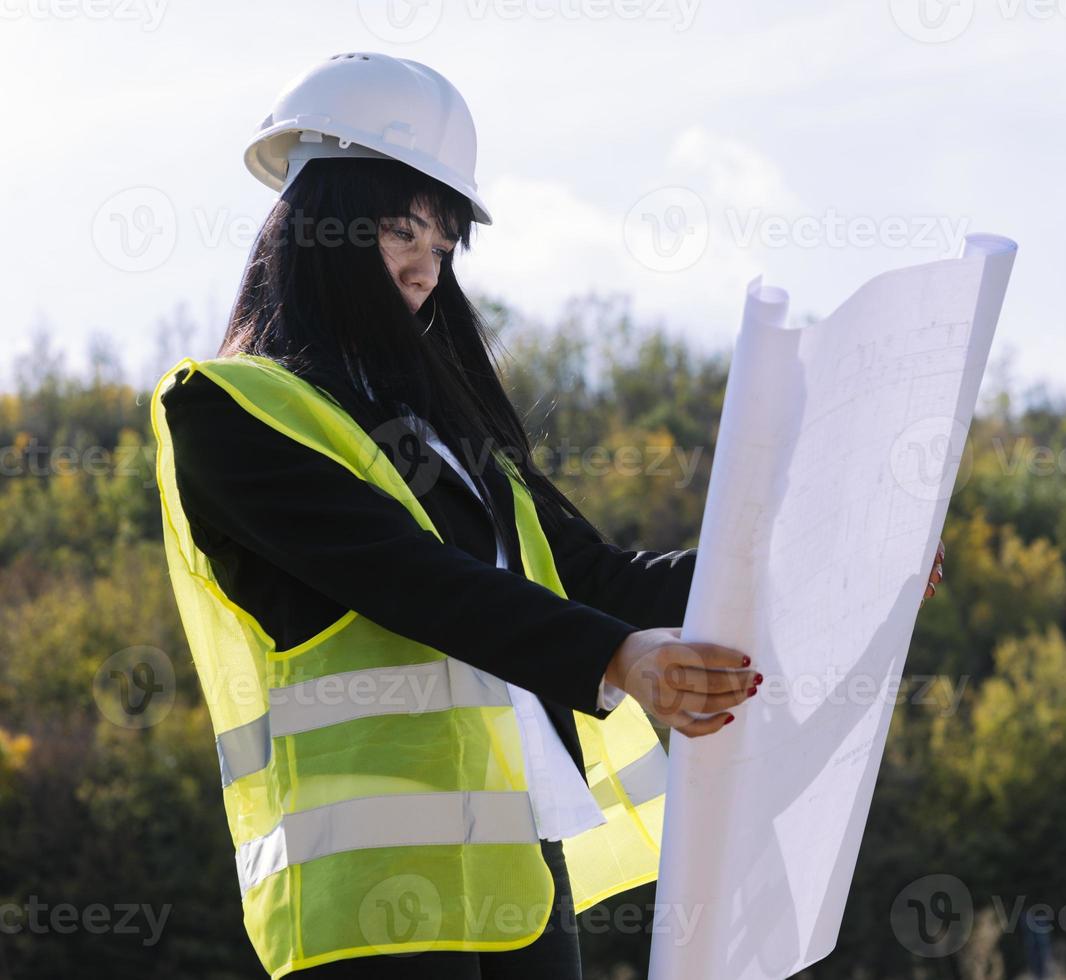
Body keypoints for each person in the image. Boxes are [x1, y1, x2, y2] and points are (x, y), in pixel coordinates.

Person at [153, 52, 942, 979]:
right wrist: (615, 656)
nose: (423, 272)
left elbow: (597, 576)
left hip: (519, 876)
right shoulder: (227, 409)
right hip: (371, 902)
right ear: (319, 228)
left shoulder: (442, 437)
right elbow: (408, 579)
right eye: (402, 235)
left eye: (443, 249)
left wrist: (828, 556)